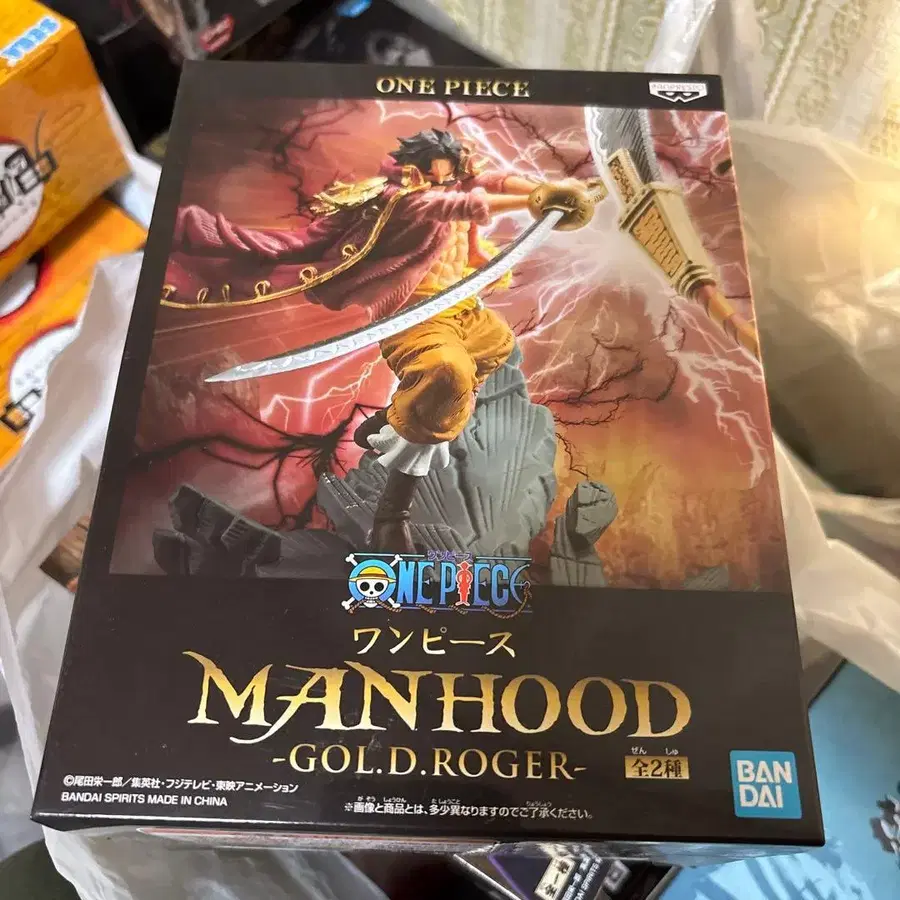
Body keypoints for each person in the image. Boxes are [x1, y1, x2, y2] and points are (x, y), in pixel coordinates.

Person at [164, 128, 594, 552]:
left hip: (465, 308)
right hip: (419, 316)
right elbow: (457, 205)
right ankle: (392, 514)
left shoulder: (452, 180)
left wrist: (543, 190)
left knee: (497, 346)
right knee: (447, 375)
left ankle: (397, 418)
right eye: (436, 173)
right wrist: (537, 200)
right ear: (417, 170)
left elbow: (490, 181)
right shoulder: (403, 200)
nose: (444, 179)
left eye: (449, 172)